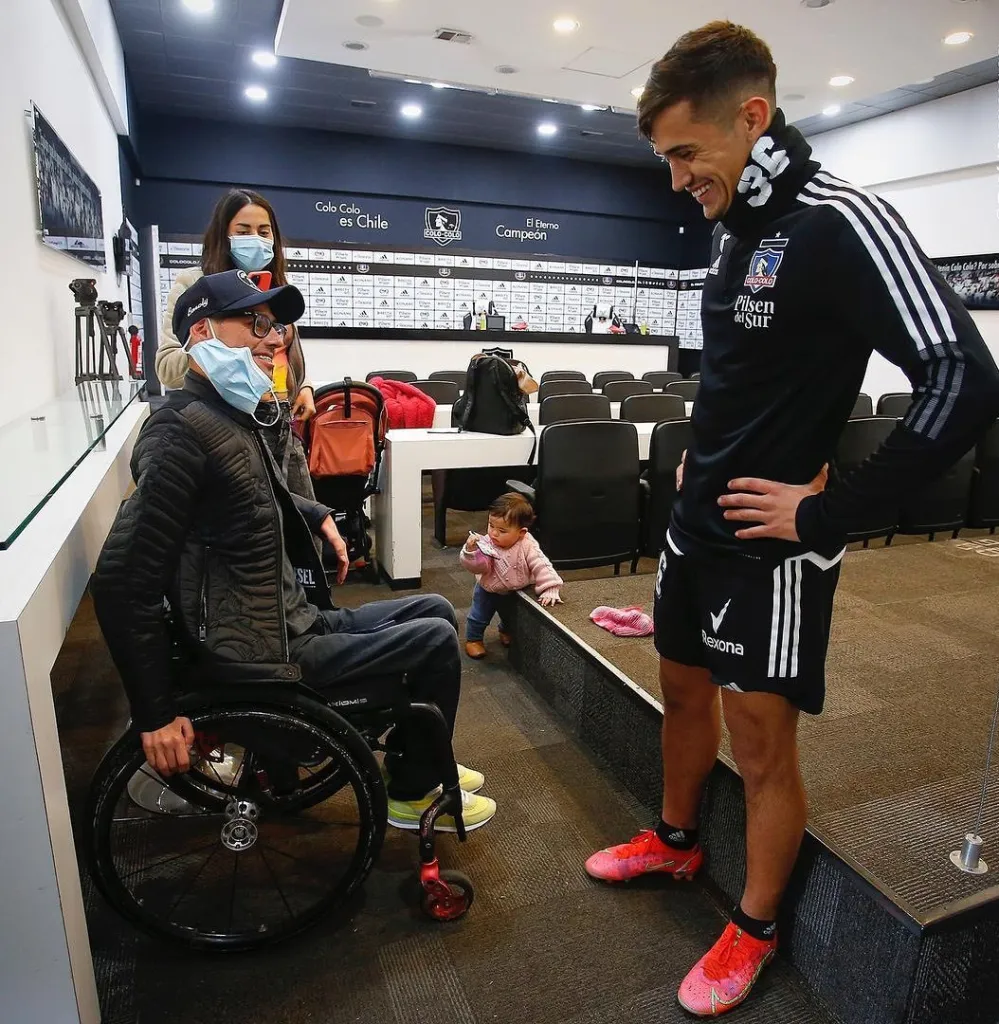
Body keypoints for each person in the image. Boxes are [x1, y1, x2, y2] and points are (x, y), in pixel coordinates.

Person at [583, 20, 999, 1018]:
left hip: (774, 549)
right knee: (682, 692)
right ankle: (679, 844)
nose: (676, 179)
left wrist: (833, 512)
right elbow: (745, 378)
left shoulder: (840, 221)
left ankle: (757, 926)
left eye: (686, 153)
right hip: (697, 526)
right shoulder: (733, 228)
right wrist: (694, 458)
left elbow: (963, 376)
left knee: (761, 744)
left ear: (753, 117)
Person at [91, 269, 497, 834]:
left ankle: (417, 757)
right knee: (435, 642)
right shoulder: (179, 433)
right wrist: (154, 715)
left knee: (432, 608)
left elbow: (247, 500)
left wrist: (318, 515)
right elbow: (121, 579)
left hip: (287, 619)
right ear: (203, 333)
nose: (275, 339)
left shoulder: (228, 418)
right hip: (259, 655)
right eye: (255, 323)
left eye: (276, 326)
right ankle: (411, 789)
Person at [156, 188, 317, 499]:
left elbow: (285, 348)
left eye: (263, 231)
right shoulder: (194, 286)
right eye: (243, 231)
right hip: (224, 423)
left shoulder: (277, 287)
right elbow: (167, 368)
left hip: (281, 419)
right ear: (224, 234)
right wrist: (220, 354)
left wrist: (305, 384)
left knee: (302, 518)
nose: (255, 238)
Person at [459, 493, 563, 660]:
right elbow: (477, 567)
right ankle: (474, 639)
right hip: (488, 589)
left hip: (516, 590)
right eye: (490, 525)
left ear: (521, 533)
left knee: (511, 616)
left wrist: (550, 587)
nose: (493, 533)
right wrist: (471, 552)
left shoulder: (528, 545)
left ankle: (505, 630)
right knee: (478, 615)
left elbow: (541, 564)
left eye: (502, 530)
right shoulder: (486, 543)